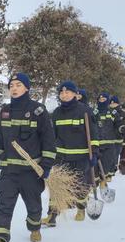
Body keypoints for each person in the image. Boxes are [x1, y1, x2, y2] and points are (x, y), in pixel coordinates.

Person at [0, 73, 56, 242]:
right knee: (4, 205)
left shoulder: (38, 111)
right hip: (9, 171)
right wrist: (0, 159)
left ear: (26, 88)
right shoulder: (5, 111)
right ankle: (0, 240)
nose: (14, 88)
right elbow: (1, 138)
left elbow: (48, 140)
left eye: (18, 85)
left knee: (33, 205)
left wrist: (46, 166)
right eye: (11, 85)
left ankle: (34, 227)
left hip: (31, 172)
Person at [42, 81, 99, 225]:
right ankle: (52, 215)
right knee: (56, 185)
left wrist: (94, 154)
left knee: (79, 185)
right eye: (61, 92)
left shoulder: (85, 111)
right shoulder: (56, 113)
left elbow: (93, 135)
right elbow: (51, 136)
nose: (64, 95)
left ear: (75, 94)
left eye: (67, 92)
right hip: (60, 157)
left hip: (81, 157)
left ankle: (81, 208)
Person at [93, 92, 121, 182]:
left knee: (107, 163)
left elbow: (118, 124)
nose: (102, 101)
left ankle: (104, 181)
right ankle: (97, 181)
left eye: (104, 100)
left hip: (109, 143)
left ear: (107, 101)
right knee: (95, 166)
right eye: (100, 100)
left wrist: (121, 129)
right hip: (96, 143)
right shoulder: (94, 112)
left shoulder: (112, 112)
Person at [109, 96, 125, 173]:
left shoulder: (122, 113)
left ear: (118, 104)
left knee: (116, 153)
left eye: (114, 103)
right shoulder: (107, 111)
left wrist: (124, 129)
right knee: (109, 154)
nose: (113, 105)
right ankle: (110, 167)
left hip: (118, 137)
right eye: (111, 103)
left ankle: (114, 166)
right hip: (108, 137)